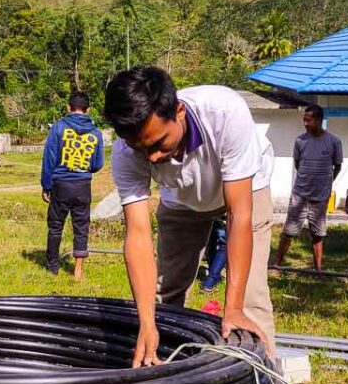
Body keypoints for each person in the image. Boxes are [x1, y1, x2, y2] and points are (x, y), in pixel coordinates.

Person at [104, 66, 275, 367]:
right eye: (142, 149)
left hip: (245, 189)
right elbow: (139, 235)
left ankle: (266, 383)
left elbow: (239, 214)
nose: (153, 158)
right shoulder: (126, 152)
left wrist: (232, 307)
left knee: (250, 299)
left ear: (179, 111)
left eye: (158, 144)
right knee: (164, 292)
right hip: (180, 198)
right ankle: (165, 368)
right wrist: (146, 322)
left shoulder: (224, 113)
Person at [40, 91, 105, 280]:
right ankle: (77, 270)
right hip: (83, 185)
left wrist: (46, 185)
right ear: (89, 109)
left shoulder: (59, 128)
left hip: (61, 184)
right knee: (81, 227)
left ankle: (52, 267)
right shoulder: (95, 133)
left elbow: (49, 159)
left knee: (55, 226)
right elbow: (98, 163)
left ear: (68, 107)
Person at [274, 104, 342, 271]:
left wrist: (326, 182)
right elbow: (298, 164)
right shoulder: (300, 141)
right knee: (289, 231)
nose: (305, 123)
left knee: (318, 234)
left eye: (308, 120)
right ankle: (276, 264)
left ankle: (318, 269)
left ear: (318, 120)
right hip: (300, 195)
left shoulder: (334, 141)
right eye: (304, 120)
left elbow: (337, 166)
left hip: (320, 196)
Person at [201, 217, 228, 292]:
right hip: (222, 213)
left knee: (211, 241)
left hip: (208, 211)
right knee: (225, 244)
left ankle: (215, 276)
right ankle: (210, 282)